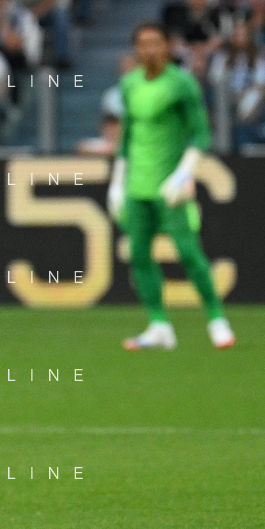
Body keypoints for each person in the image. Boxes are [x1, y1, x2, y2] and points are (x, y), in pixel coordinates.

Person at [107, 23, 236, 350]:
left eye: (155, 43)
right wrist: (118, 181)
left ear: (167, 47)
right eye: (143, 44)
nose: (149, 49)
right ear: (136, 49)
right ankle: (159, 325)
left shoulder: (181, 84)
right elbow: (127, 136)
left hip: (171, 187)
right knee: (139, 256)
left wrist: (184, 173)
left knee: (189, 253)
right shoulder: (129, 84)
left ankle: (217, 318)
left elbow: (201, 133)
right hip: (137, 187)